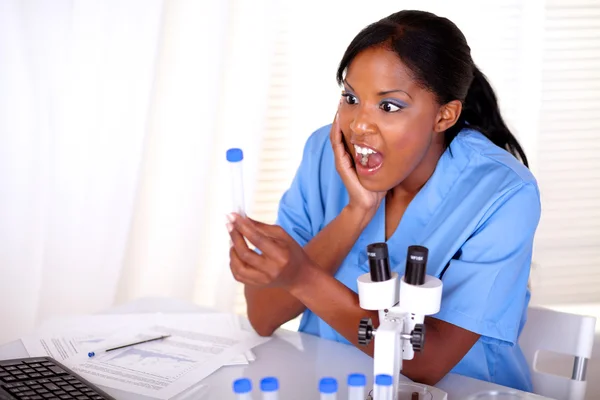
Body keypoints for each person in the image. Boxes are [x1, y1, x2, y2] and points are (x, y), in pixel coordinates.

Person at [226, 9, 541, 392]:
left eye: (389, 106)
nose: (358, 124)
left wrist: (302, 277)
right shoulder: (324, 154)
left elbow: (425, 364)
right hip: (329, 381)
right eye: (351, 97)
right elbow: (262, 315)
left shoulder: (502, 192)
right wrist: (356, 212)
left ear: (444, 115)